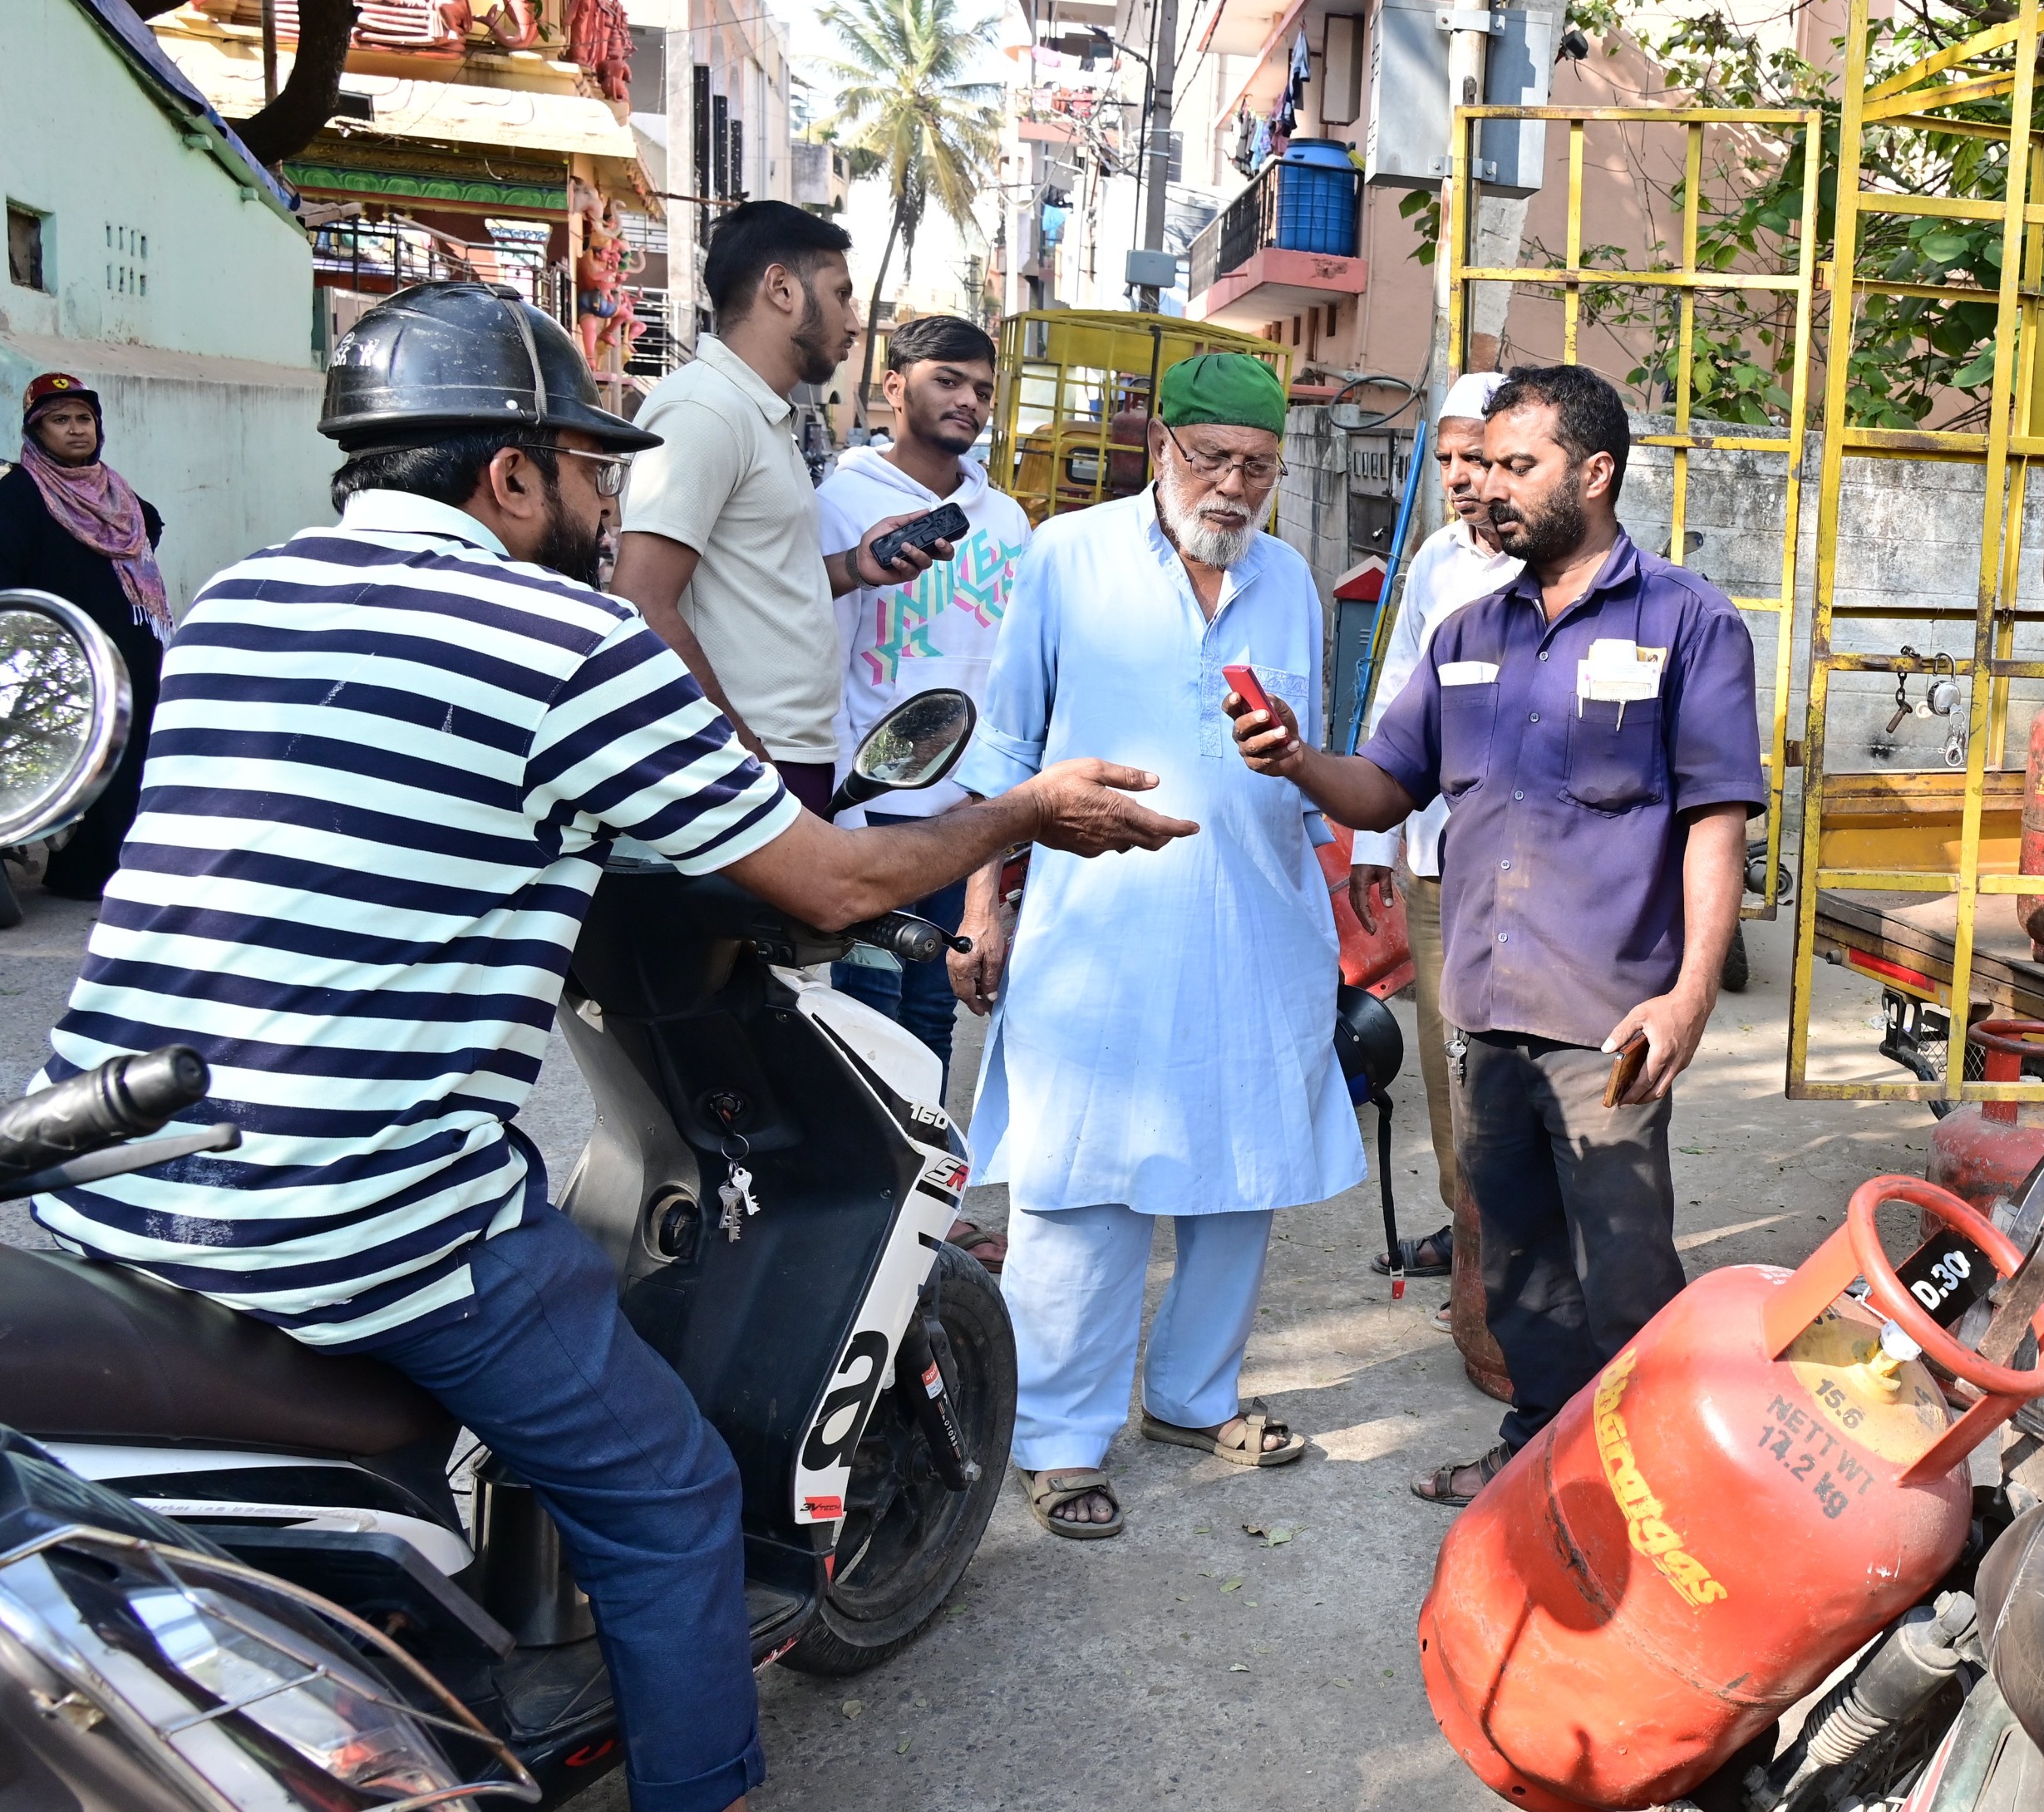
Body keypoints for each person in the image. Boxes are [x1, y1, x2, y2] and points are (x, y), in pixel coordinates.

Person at [26, 283, 1194, 1812]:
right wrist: (1028, 813)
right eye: (591, 471)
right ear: (510, 474)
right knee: (671, 1493)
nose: (605, 502)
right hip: (355, 1220)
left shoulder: (243, 597)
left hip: (109, 1186)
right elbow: (833, 880)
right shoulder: (560, 638)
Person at [1226, 364, 1764, 1506]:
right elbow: (1385, 786)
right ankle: (1538, 1454)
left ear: (1596, 472)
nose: (1488, 490)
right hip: (1485, 1004)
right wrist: (1297, 757)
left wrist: (1690, 997)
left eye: (1519, 467)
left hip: (1609, 1020)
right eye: (1485, 467)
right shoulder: (1469, 629)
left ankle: (1651, 1490)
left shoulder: (1689, 622)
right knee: (1514, 1258)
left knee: (1622, 1266)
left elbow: (1717, 821)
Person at [948, 352, 1363, 1540]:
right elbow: (1004, 752)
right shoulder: (1064, 556)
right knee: (1084, 1190)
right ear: (1161, 448)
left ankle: (1193, 1399)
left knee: (1241, 1184)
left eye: (1260, 468)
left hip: (1255, 933)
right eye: (1215, 458)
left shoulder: (1287, 582)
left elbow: (1308, 765)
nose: (1235, 486)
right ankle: (1057, 1441)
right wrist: (984, 908)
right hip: (1099, 943)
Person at [613, 200, 944, 816]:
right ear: (781, 288)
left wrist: (855, 565)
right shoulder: (705, 412)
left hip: (783, 761)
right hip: (745, 767)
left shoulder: (759, 414)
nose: (852, 321)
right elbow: (641, 601)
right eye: (841, 294)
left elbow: (757, 583)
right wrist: (742, 759)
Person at [1347, 372, 1521, 1317]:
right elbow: (1396, 699)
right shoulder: (1436, 564)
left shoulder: (1553, 563)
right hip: (1433, 853)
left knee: (1517, 1062)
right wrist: (1375, 837)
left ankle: (1518, 1250)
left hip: (1533, 868)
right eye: (1446, 457)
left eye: (1476, 457)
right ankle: (1469, 1236)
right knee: (1445, 1056)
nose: (1456, 476)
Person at [819, 313, 1030, 1066]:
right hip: (868, 822)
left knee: (932, 1027)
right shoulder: (836, 504)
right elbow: (821, 674)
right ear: (893, 385)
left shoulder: (1007, 523)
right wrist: (841, 833)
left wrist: (990, 851)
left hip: (962, 825)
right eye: (948, 380)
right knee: (863, 1031)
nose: (969, 400)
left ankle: (926, 1192)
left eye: (982, 388)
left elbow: (1012, 693)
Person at [0, 372, 169, 901]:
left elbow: (150, 524)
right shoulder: (19, 492)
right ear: (36, 431)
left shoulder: (113, 488)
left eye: (84, 419)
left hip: (131, 651)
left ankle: (129, 864)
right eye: (59, 420)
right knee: (84, 762)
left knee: (130, 753)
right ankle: (82, 871)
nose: (76, 431)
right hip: (64, 656)